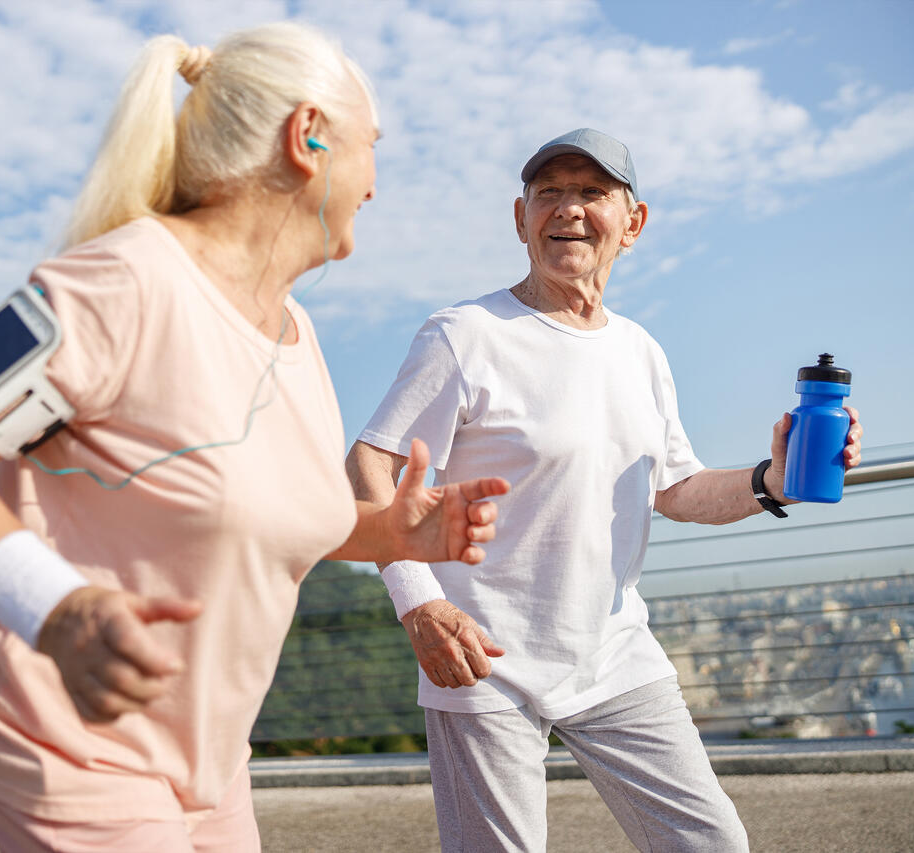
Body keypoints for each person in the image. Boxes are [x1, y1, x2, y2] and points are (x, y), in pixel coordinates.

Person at [0, 23, 507, 853]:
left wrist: (389, 531)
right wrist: (58, 612)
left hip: (208, 762)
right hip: (63, 736)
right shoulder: (114, 281)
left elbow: (252, 509)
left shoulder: (298, 336)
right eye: (370, 148)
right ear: (309, 137)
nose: (376, 186)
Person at [346, 128, 864, 853]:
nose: (569, 209)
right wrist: (419, 601)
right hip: (484, 660)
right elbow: (372, 462)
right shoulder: (464, 335)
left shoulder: (641, 352)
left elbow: (677, 488)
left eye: (592, 193)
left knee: (712, 842)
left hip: (614, 654)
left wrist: (773, 478)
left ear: (633, 222)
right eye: (549, 192)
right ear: (520, 217)